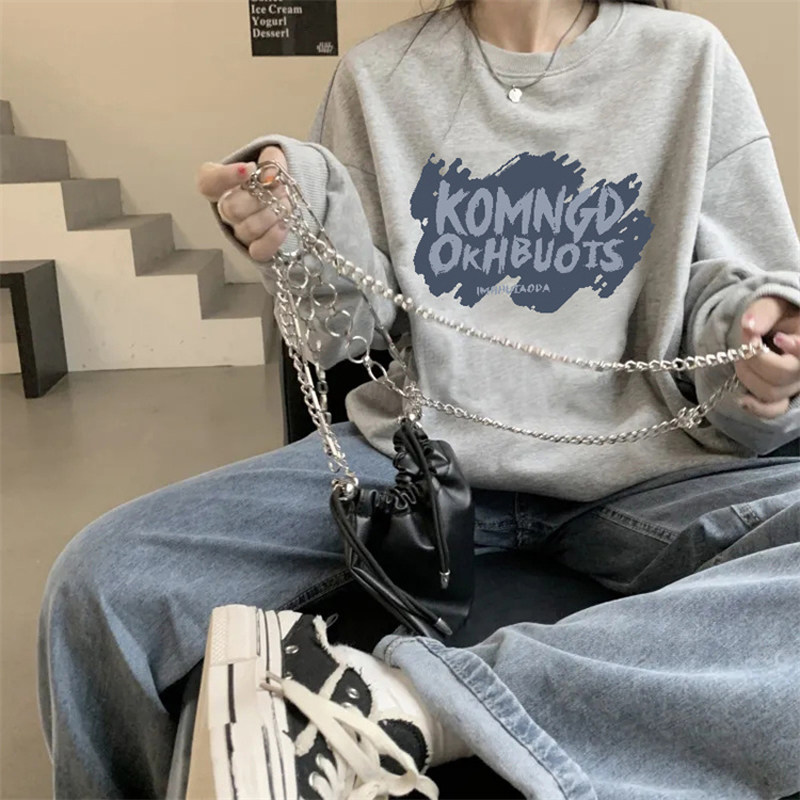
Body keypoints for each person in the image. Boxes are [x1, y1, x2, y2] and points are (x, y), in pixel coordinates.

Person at [37, 0, 800, 798]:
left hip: (650, 473)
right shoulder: (378, 78)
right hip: (412, 462)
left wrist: (762, 346)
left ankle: (404, 711)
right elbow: (346, 332)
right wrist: (296, 227)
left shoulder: (688, 59)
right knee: (101, 583)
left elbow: (732, 295)